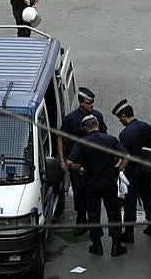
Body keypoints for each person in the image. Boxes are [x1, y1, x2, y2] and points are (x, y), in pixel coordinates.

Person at [67, 115, 128, 257]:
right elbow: (126, 157)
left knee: (93, 213)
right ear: (98, 125)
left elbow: (69, 161)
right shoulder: (110, 139)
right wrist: (116, 170)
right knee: (113, 212)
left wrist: (80, 168)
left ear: (86, 128)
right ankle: (116, 245)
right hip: (108, 181)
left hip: (90, 182)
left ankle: (97, 245)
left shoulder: (82, 142)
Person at [56, 87, 108, 235]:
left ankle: (92, 221)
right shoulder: (71, 119)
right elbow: (60, 136)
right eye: (88, 102)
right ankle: (81, 219)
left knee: (92, 191)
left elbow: (103, 134)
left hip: (93, 161)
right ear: (81, 103)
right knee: (78, 191)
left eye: (92, 102)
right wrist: (61, 159)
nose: (91, 105)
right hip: (76, 162)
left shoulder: (96, 116)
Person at [111, 99, 151, 243]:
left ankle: (129, 233)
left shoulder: (125, 134)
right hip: (146, 170)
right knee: (147, 198)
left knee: (130, 203)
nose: (120, 121)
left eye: (120, 118)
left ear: (124, 116)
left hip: (132, 173)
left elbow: (123, 156)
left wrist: (117, 170)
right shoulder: (147, 127)